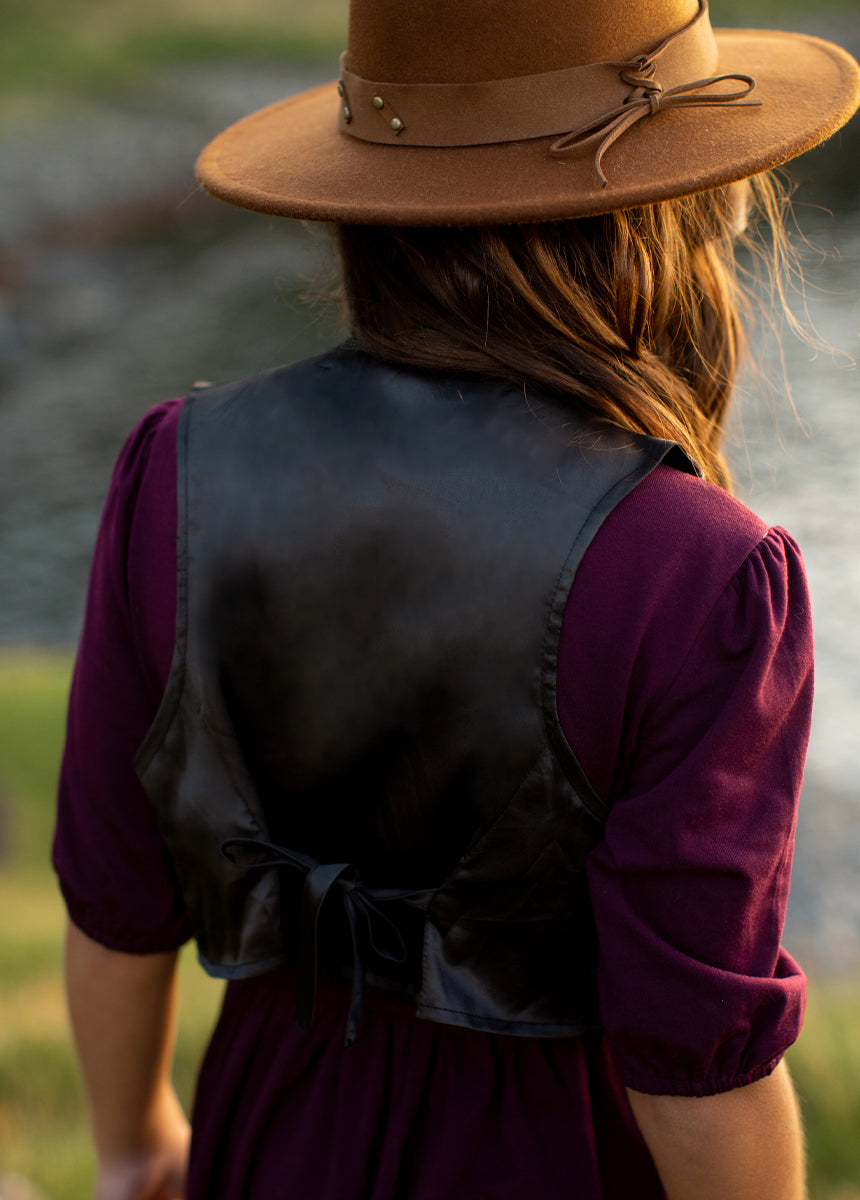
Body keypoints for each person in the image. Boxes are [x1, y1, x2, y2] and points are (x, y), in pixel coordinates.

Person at [54, 1, 860, 1198]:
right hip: (559, 1160)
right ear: (667, 218)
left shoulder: (176, 469)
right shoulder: (699, 573)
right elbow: (692, 1058)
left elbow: (117, 902)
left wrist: (133, 1148)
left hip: (273, 1130)